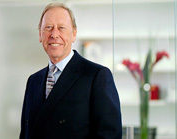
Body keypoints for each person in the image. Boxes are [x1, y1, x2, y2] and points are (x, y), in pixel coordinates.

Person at [20, 2, 122, 139]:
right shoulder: (33, 81)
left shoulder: (96, 76)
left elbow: (110, 135)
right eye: (48, 27)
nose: (54, 34)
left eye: (61, 28)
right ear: (40, 35)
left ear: (74, 34)